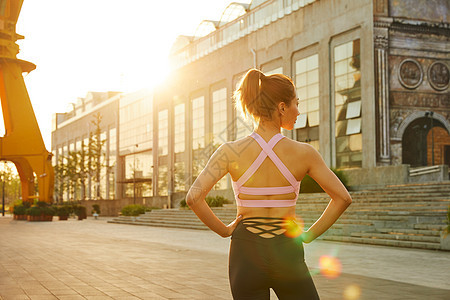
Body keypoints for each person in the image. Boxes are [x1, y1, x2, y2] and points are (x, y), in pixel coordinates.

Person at [186, 69, 352, 299]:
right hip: (287, 249)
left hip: (245, 251)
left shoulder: (228, 152)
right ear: (282, 107)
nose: (298, 111)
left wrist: (225, 231)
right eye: (296, 103)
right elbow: (343, 198)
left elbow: (193, 197)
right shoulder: (305, 153)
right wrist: (308, 235)